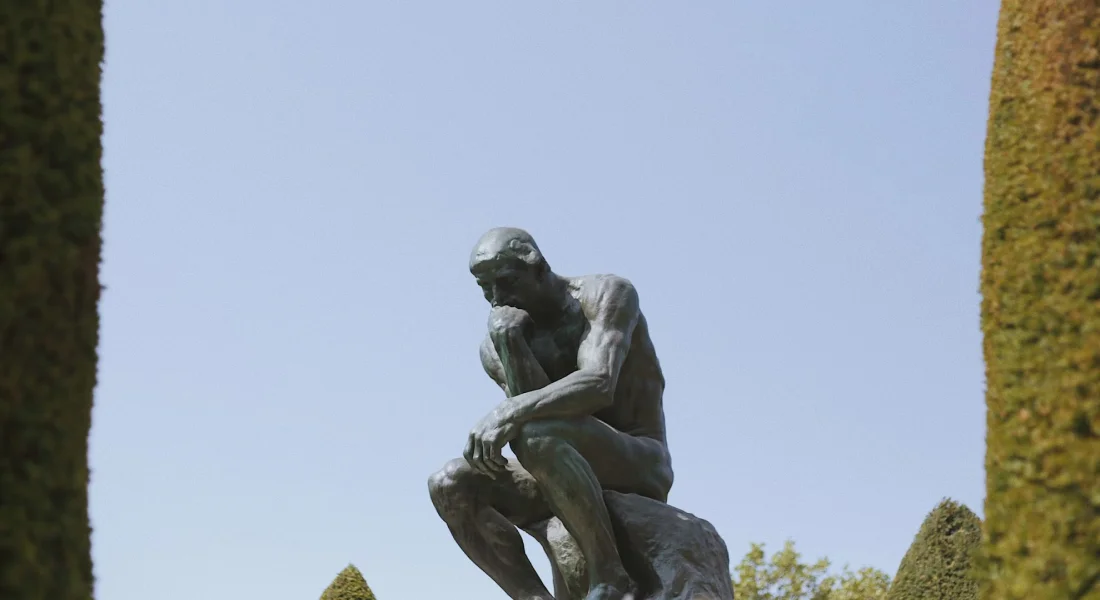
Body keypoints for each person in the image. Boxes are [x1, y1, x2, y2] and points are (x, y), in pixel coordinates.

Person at [427, 227, 674, 600]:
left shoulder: (604, 296)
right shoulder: (497, 344)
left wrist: (508, 411)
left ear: (539, 268)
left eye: (507, 283)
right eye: (485, 289)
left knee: (535, 432)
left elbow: (598, 384)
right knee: (450, 483)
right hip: (554, 468)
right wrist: (512, 345)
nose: (497, 299)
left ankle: (610, 577)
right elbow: (531, 415)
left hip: (635, 460)